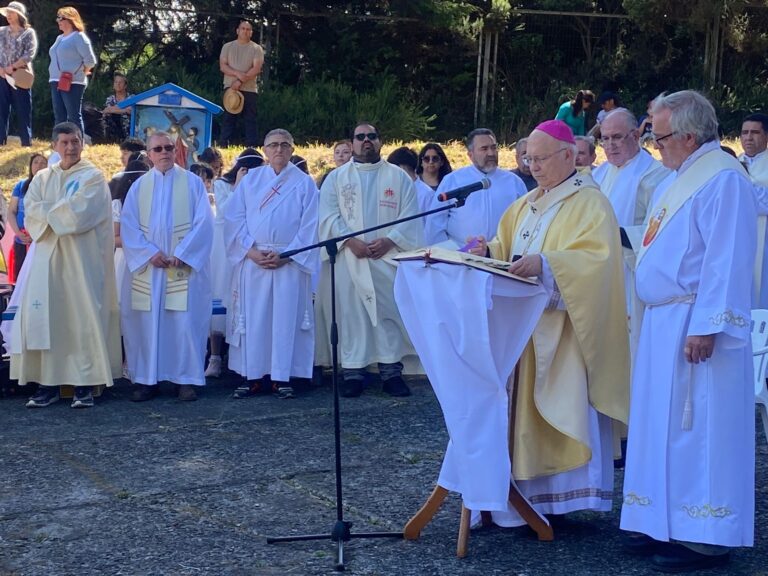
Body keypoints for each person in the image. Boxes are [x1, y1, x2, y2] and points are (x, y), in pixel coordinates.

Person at [467, 119, 629, 526]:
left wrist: (547, 265)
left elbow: (599, 262)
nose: (532, 166)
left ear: (568, 156)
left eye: (539, 159)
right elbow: (507, 245)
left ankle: (558, 501)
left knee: (559, 403)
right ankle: (523, 502)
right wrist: (488, 248)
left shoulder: (590, 201)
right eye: (527, 159)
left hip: (563, 335)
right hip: (521, 331)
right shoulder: (527, 202)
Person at [620, 91, 756, 572]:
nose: (655, 147)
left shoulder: (723, 179)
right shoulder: (678, 179)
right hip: (664, 321)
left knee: (698, 426)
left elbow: (727, 259)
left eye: (658, 137)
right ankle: (662, 518)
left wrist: (707, 326)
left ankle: (705, 535)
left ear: (689, 135)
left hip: (696, 326)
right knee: (661, 424)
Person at [10, 122, 121, 408]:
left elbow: (81, 212)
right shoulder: (43, 177)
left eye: (75, 141)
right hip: (46, 260)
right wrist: (57, 210)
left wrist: (51, 211)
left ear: (82, 143)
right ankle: (48, 383)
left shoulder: (93, 177)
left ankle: (84, 383)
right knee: (49, 318)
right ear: (55, 146)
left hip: (81, 261)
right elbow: (31, 212)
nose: (70, 147)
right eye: (64, 142)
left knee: (80, 318)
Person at [315, 123, 422, 398]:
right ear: (351, 143)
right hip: (350, 258)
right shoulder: (336, 178)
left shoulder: (398, 177)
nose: (366, 141)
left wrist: (390, 240)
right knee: (352, 316)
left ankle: (391, 372)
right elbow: (328, 215)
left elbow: (411, 215)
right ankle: (353, 372)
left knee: (387, 315)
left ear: (380, 141)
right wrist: (349, 241)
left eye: (371, 137)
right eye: (360, 137)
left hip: (386, 257)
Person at [223, 129, 319, 399]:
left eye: (284, 145)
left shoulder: (304, 183)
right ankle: (252, 375)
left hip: (288, 261)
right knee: (255, 319)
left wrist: (288, 254)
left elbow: (311, 225)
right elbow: (233, 219)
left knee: (285, 319)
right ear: (264, 150)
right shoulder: (250, 181)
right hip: (255, 261)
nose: (279, 150)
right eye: (273, 145)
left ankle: (282, 377)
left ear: (292, 150)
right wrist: (250, 251)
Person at [120, 131, 214, 402]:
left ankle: (185, 380)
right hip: (150, 270)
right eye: (157, 149)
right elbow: (129, 226)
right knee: (147, 325)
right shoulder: (139, 187)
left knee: (184, 322)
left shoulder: (193, 183)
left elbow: (204, 223)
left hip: (181, 267)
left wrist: (183, 254)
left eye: (168, 148)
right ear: (148, 155)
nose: (164, 152)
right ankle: (147, 379)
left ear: (176, 151)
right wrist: (149, 253)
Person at [591, 108, 669, 361]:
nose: (610, 145)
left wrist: (616, 235)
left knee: (630, 348)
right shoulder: (598, 174)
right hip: (599, 271)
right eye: (605, 138)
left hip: (631, 273)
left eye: (617, 137)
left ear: (635, 135)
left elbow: (660, 231)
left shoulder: (656, 176)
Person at [204, 148, 264, 378]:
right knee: (220, 301)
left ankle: (245, 357)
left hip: (248, 248)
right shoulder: (222, 185)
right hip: (223, 249)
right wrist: (239, 185)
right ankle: (215, 357)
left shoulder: (263, 188)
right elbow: (227, 212)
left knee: (245, 304)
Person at [425, 128, 526, 248]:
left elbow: (525, 222)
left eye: (494, 147)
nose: (491, 153)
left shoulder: (514, 182)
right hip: (460, 257)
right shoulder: (453, 180)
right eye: (484, 149)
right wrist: (448, 255)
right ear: (470, 154)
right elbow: (435, 224)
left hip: (501, 257)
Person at [48, 6, 96, 138]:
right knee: (59, 115)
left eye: (60, 18)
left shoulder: (79, 37)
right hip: (55, 80)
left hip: (73, 82)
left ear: (70, 19)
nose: (57, 21)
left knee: (74, 115)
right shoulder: (59, 38)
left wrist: (78, 72)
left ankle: (79, 141)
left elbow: (90, 61)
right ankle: (58, 143)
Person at [738, 113, 768, 306]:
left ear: (766, 136)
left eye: (755, 132)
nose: (748, 137)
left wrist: (743, 189)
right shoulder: (731, 162)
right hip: (738, 237)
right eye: (744, 132)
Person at [219, 19, 264, 147]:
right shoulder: (227, 46)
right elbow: (223, 66)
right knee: (228, 119)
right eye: (243, 28)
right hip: (230, 88)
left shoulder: (257, 48)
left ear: (251, 32)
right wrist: (237, 74)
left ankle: (252, 147)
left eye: (248, 29)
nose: (245, 31)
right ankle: (224, 145)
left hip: (249, 89)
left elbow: (256, 68)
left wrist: (239, 80)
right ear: (237, 31)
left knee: (250, 120)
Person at [0, 1, 37, 147]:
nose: (8, 15)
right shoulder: (1, 31)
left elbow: (30, 53)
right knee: (1, 109)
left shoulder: (28, 32)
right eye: (7, 12)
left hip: (20, 76)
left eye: (12, 12)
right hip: (2, 76)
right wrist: (2, 70)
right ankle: (1, 142)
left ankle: (26, 143)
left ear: (19, 15)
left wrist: (12, 67)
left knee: (23, 109)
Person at [7, 151, 45, 280]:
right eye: (35, 162)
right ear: (30, 166)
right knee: (20, 280)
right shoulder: (21, 185)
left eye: (43, 163)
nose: (39, 165)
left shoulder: (51, 187)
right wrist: (18, 232)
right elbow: (11, 211)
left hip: (40, 242)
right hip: (21, 240)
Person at [102, 72, 132, 142]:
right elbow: (106, 110)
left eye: (120, 82)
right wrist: (124, 110)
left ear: (125, 85)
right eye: (116, 82)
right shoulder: (110, 99)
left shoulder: (131, 98)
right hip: (114, 126)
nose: (118, 84)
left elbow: (130, 110)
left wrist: (113, 109)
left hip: (128, 128)